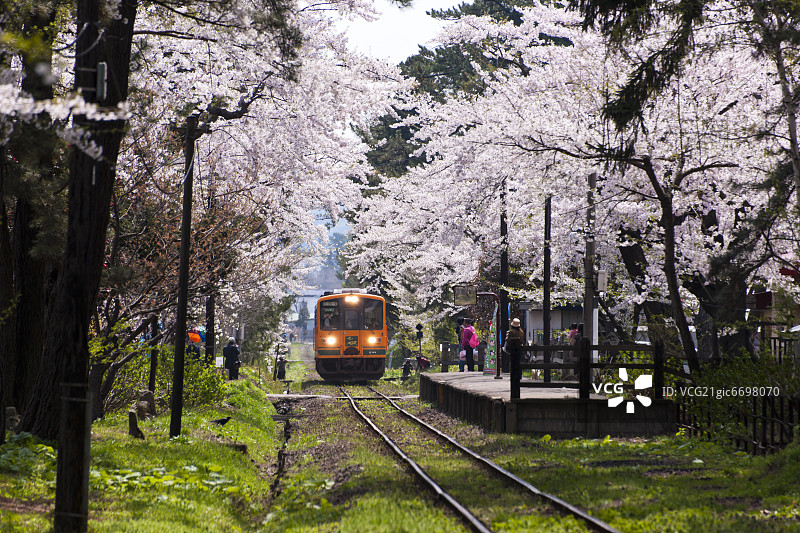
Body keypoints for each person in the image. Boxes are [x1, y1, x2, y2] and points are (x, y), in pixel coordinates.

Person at [503, 318, 526, 383]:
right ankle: (520, 375)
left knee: (513, 362)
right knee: (519, 361)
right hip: (520, 348)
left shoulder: (511, 332)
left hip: (513, 349)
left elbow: (507, 339)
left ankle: (513, 375)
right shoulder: (521, 332)